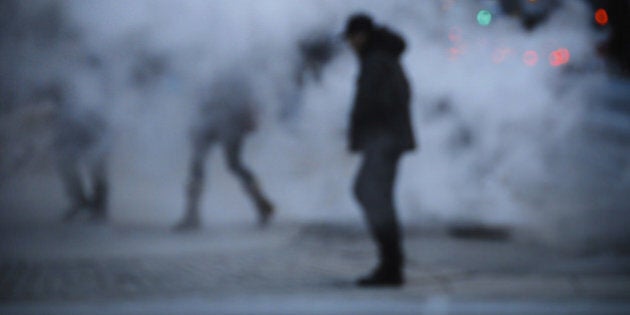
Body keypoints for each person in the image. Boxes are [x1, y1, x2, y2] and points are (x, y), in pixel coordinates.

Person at [343, 13, 416, 287]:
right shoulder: (381, 57)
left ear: (360, 36)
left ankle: (391, 265)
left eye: (351, 38)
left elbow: (374, 103)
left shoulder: (376, 61)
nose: (349, 45)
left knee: (370, 193)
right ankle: (390, 263)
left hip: (385, 140)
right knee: (373, 195)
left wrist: (368, 134)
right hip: (387, 139)